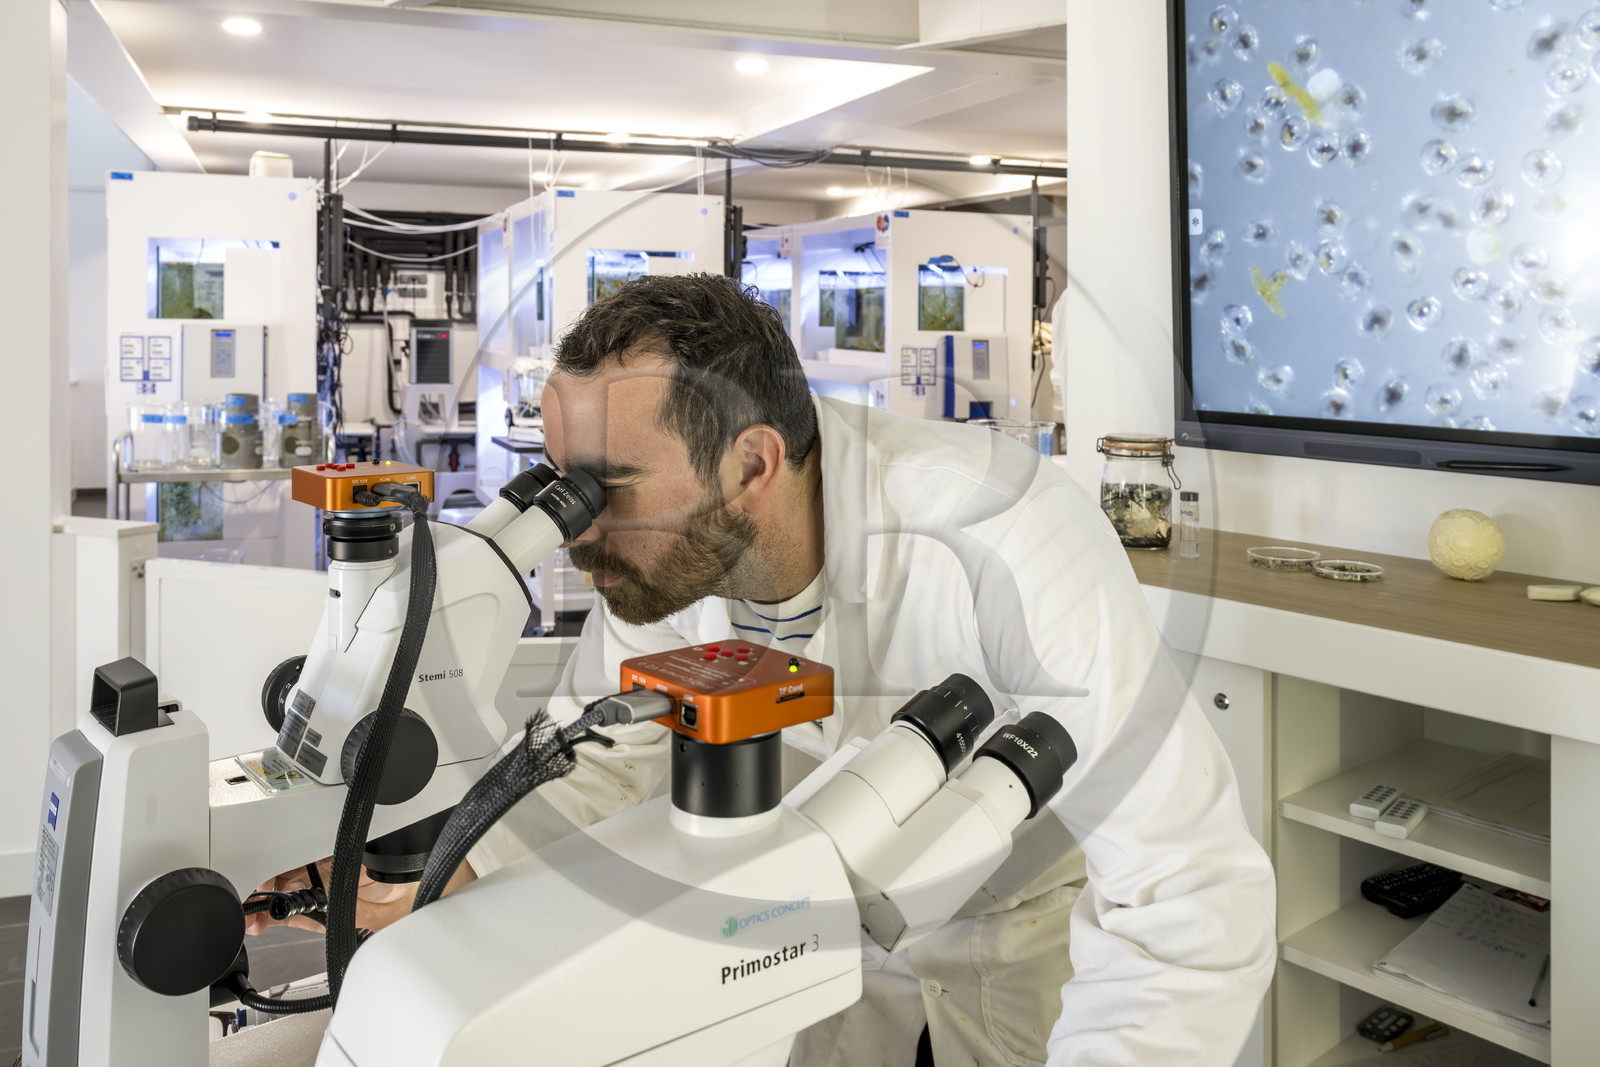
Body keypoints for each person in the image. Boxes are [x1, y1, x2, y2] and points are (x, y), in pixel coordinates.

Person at [253, 273, 1274, 1065]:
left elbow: (1181, 893)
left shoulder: (1002, 528)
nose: (574, 529)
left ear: (751, 465)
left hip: (1024, 973)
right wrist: (444, 867)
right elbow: (601, 766)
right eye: (560, 486)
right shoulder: (661, 564)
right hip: (801, 963)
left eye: (605, 486)